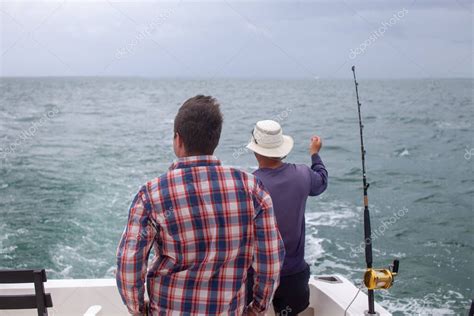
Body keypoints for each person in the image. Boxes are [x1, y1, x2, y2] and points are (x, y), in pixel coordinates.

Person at [116, 96, 285, 315]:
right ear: (215, 140)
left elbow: (129, 265)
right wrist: (258, 308)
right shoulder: (253, 189)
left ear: (178, 139)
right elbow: (270, 261)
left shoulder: (151, 195)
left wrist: (138, 309)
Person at [245, 120, 328, 315]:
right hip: (294, 276)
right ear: (281, 148)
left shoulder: (250, 185)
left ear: (255, 150)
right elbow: (322, 180)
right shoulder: (303, 174)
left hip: (256, 276)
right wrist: (315, 154)